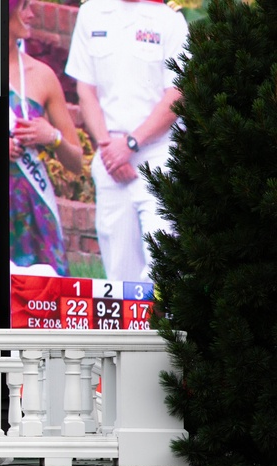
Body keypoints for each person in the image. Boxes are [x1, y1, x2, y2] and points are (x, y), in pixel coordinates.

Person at [65, 0, 188, 283]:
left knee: (163, 266)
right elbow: (85, 90)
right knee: (119, 273)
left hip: (158, 156)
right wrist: (110, 149)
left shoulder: (169, 20)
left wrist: (130, 145)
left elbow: (177, 94)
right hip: (110, 157)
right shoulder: (92, 12)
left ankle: (163, 327)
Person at [9, 0, 83, 276]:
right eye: (23, 6)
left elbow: (77, 161)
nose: (31, 14)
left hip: (34, 209)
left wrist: (51, 137)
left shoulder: (42, 76)